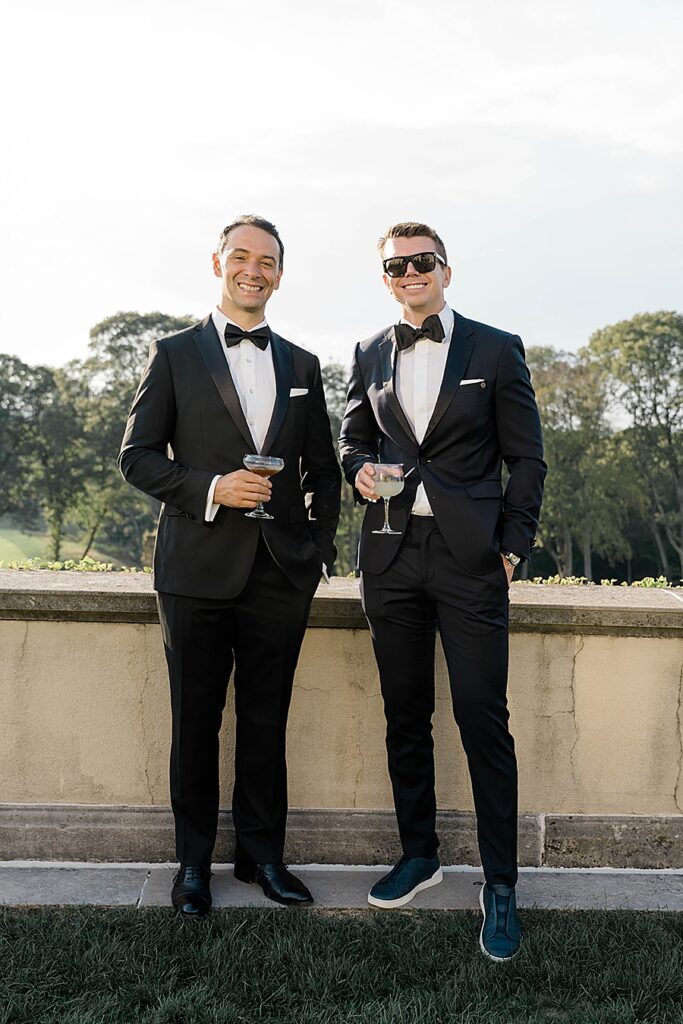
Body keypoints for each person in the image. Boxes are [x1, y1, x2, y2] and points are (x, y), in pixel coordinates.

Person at [119, 215, 341, 915]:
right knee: (195, 722)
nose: (253, 269)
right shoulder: (173, 354)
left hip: (281, 573)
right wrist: (212, 488)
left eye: (266, 260)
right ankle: (193, 864)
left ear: (280, 274)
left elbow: (324, 471)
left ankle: (262, 857)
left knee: (266, 722)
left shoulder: (302, 365)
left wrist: (317, 551)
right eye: (241, 256)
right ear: (217, 264)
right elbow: (137, 458)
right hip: (194, 571)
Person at [339, 221, 545, 961]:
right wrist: (358, 470)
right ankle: (419, 854)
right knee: (405, 715)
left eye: (422, 261)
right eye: (396, 266)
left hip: (470, 560)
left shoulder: (495, 348)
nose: (410, 273)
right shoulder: (367, 351)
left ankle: (500, 884)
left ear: (446, 271)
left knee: (482, 719)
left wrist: (511, 548)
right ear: (386, 278)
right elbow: (352, 440)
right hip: (391, 555)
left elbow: (526, 458)